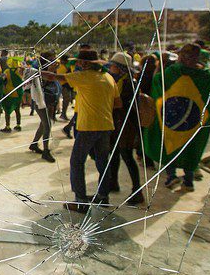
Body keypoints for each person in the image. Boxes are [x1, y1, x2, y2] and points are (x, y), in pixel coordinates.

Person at [42, 49, 120, 212]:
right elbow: (118, 104)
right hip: (106, 125)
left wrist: (33, 72)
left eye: (79, 61)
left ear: (85, 64)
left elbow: (54, 77)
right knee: (103, 162)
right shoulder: (108, 77)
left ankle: (81, 201)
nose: (77, 64)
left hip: (88, 126)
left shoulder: (83, 77)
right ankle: (103, 197)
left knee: (77, 162)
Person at [143, 44, 210, 192]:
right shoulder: (205, 76)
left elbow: (157, 82)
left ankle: (171, 176)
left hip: (171, 119)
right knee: (191, 147)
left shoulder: (172, 72)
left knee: (169, 145)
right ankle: (188, 181)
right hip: (193, 122)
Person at [105, 52, 144, 205]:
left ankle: (137, 191)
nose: (110, 68)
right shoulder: (122, 80)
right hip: (119, 123)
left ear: (120, 68)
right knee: (114, 154)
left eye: (113, 66)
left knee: (127, 156)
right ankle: (113, 182)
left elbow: (121, 104)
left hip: (126, 125)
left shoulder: (127, 83)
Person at [29, 54, 56, 163]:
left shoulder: (50, 70)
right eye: (51, 59)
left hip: (49, 101)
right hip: (40, 101)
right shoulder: (39, 72)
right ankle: (46, 151)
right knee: (47, 125)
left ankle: (34, 144)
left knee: (44, 124)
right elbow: (39, 86)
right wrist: (50, 71)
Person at [0, 58, 23, 133]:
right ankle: (18, 125)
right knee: (17, 110)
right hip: (19, 93)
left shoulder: (7, 71)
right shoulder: (20, 71)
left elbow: (2, 79)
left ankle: (7, 126)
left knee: (7, 110)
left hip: (9, 93)